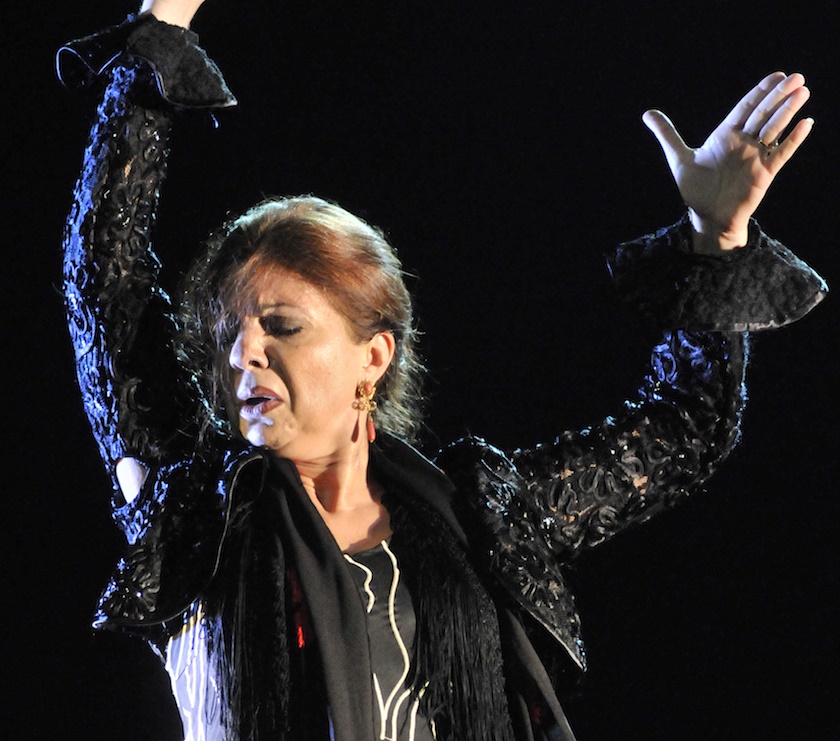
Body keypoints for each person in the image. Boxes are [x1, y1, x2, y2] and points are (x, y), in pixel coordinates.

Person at [57, 1, 827, 739]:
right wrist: (163, 28)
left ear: (373, 357)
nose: (242, 353)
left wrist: (715, 236)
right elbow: (104, 286)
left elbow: (683, 430)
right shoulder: (195, 515)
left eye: (282, 325)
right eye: (229, 334)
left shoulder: (476, 519)